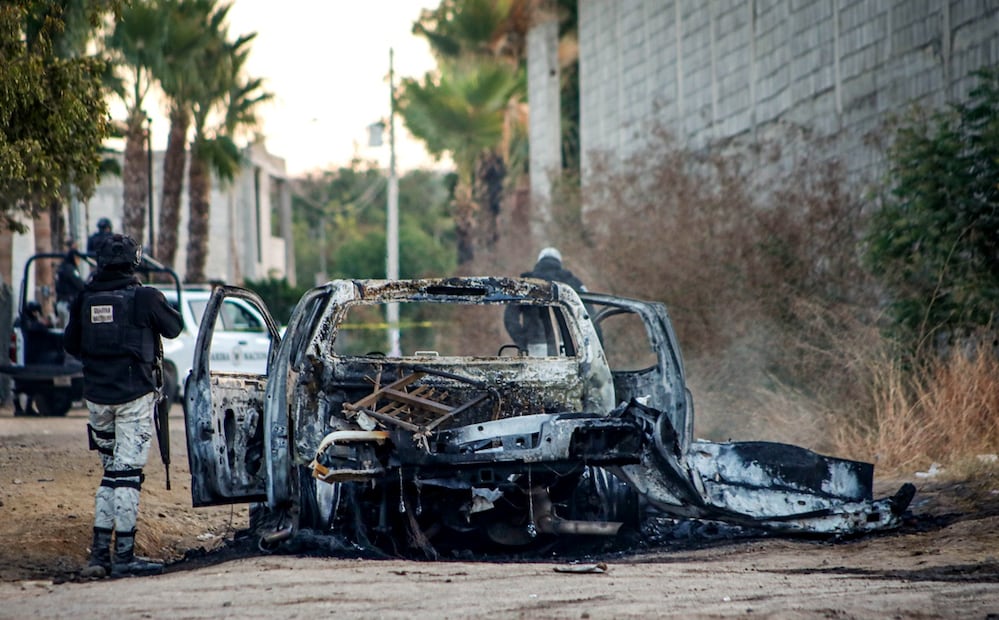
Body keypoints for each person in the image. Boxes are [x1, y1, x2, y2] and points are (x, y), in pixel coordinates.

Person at [64, 234, 183, 578]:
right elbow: (174, 328)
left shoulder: (84, 298)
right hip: (133, 398)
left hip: (97, 399)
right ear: (135, 262)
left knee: (110, 473)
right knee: (128, 476)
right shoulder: (144, 297)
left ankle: (100, 555)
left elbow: (71, 344)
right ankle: (125, 556)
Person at [504, 247, 588, 355]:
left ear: (539, 261)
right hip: (567, 348)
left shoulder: (525, 283)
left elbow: (510, 318)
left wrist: (522, 341)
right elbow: (588, 314)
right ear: (559, 262)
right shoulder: (572, 282)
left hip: (534, 347)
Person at [54, 240, 86, 327]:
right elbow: (80, 285)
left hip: (62, 303)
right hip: (68, 304)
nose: (78, 260)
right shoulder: (70, 269)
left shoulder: (62, 267)